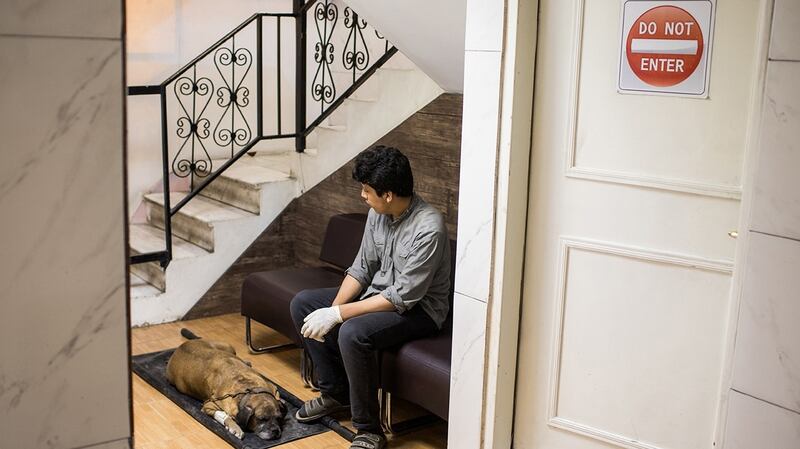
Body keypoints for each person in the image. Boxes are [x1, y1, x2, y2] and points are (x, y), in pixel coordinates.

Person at [289, 145, 451, 449]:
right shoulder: (378, 214)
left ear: (387, 194)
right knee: (305, 304)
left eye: (366, 190)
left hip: (420, 311)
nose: (363, 195)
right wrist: (333, 309)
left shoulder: (429, 228)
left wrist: (338, 317)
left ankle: (369, 430)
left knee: (352, 331)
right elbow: (362, 269)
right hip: (379, 295)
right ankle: (336, 393)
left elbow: (402, 297)